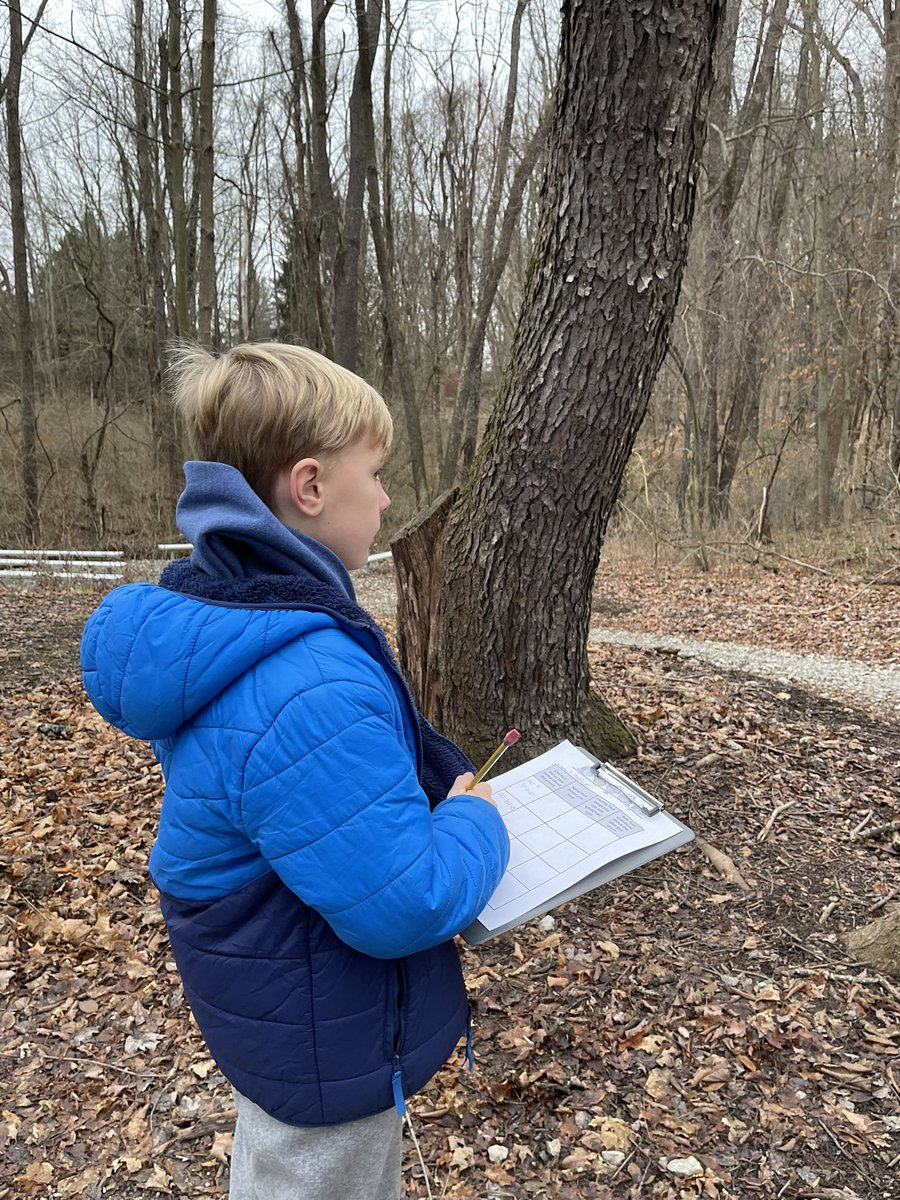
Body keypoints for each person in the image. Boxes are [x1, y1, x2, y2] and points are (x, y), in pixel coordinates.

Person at [81, 342, 510, 1200]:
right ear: (310, 487)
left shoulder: (233, 611)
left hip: (284, 1009)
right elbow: (404, 900)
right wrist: (477, 821)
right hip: (320, 1039)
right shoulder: (304, 678)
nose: (388, 498)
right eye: (376, 473)